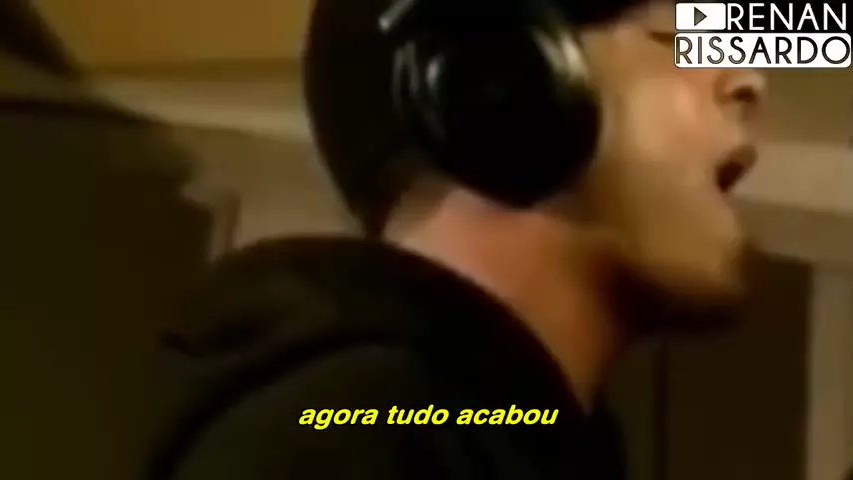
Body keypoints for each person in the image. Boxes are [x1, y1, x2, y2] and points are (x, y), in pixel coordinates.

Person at [146, 0, 766, 478]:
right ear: (508, 81)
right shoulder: (346, 442)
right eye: (681, 33)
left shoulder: (482, 434)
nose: (748, 80)